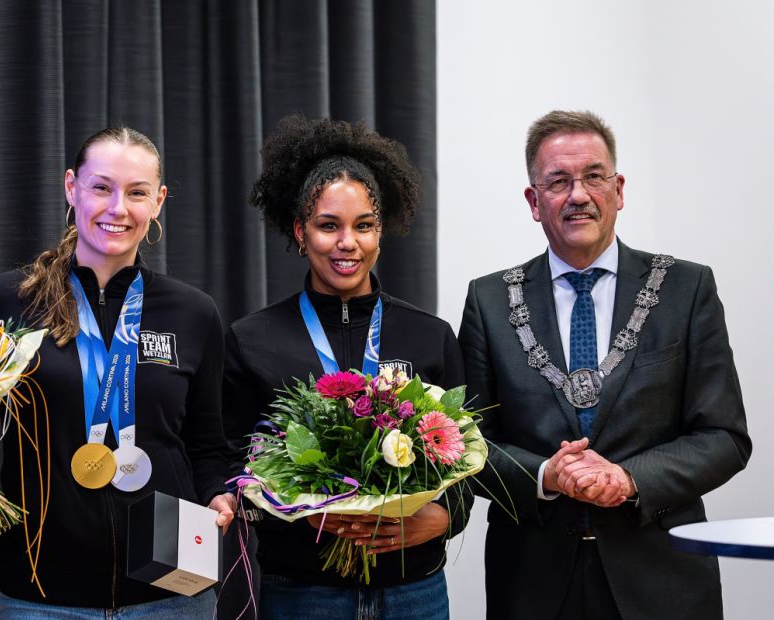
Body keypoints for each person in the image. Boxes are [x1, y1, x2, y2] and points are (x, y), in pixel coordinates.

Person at [0, 127, 236, 618]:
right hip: (45, 594)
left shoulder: (193, 313)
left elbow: (206, 443)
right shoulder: (9, 302)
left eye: (137, 193)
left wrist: (219, 493)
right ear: (71, 187)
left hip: (174, 589)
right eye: (101, 187)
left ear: (159, 201)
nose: (118, 208)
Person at [458, 110, 751, 620]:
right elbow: (465, 443)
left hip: (662, 579)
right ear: (534, 201)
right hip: (533, 582)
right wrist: (548, 474)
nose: (578, 195)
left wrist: (629, 479)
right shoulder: (488, 301)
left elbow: (724, 436)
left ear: (618, 189)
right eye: (558, 181)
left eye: (594, 176)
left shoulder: (687, 289)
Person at [223, 115, 470, 620]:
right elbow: (230, 461)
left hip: (413, 591)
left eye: (364, 225)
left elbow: (466, 456)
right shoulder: (252, 340)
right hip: (299, 592)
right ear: (299, 230)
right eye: (328, 225)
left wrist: (443, 517)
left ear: (382, 230)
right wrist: (295, 512)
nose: (347, 243)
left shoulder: (430, 335)